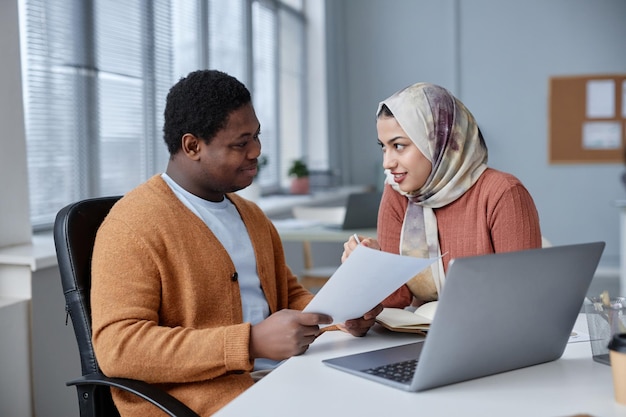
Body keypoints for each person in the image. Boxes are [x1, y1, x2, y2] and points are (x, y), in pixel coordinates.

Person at [91, 69, 382, 417]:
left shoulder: (252, 216)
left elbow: (290, 299)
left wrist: (340, 318)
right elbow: (118, 348)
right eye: (240, 143)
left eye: (256, 136)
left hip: (283, 380)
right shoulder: (133, 224)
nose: (256, 151)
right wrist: (249, 342)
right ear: (192, 146)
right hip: (202, 403)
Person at [342, 82, 541, 308]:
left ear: (439, 142)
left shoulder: (502, 193)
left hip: (492, 335)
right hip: (421, 336)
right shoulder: (398, 192)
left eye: (398, 146)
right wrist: (372, 265)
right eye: (383, 147)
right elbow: (395, 299)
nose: (387, 163)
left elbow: (523, 298)